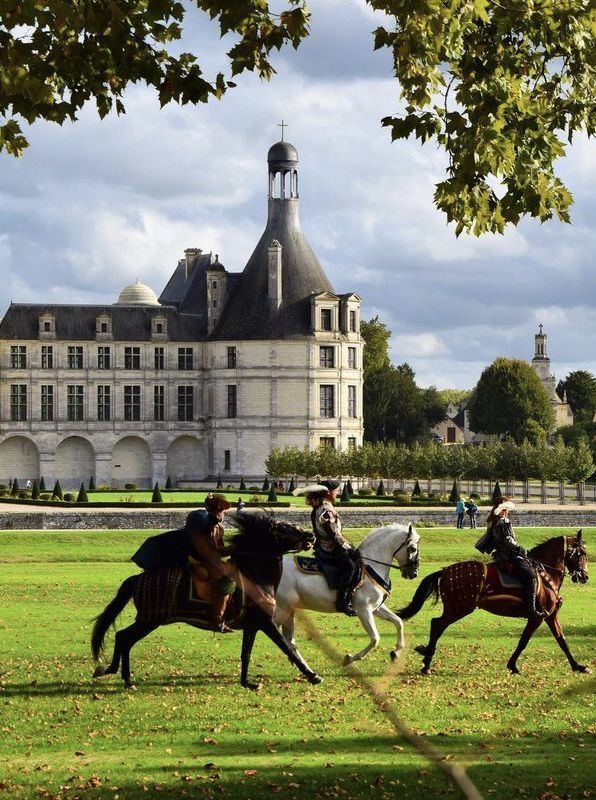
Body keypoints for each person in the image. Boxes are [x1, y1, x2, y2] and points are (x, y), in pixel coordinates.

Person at [475, 498, 544, 622]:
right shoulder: (504, 521)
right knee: (531, 576)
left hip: (500, 556)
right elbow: (508, 540)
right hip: (509, 556)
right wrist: (521, 549)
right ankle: (531, 610)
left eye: (506, 510)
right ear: (500, 510)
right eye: (504, 509)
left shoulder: (493, 522)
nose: (506, 512)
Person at [294, 479, 357, 614]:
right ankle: (342, 602)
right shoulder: (326, 510)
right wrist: (349, 548)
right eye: (335, 491)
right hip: (331, 549)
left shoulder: (317, 509)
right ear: (328, 493)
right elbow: (334, 535)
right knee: (350, 567)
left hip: (323, 548)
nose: (337, 494)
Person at [187, 495, 236, 632]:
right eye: (223, 511)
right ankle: (218, 620)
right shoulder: (207, 523)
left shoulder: (219, 529)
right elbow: (208, 522)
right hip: (198, 561)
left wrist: (234, 548)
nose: (224, 513)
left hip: (211, 561)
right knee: (224, 581)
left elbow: (220, 550)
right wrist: (214, 510)